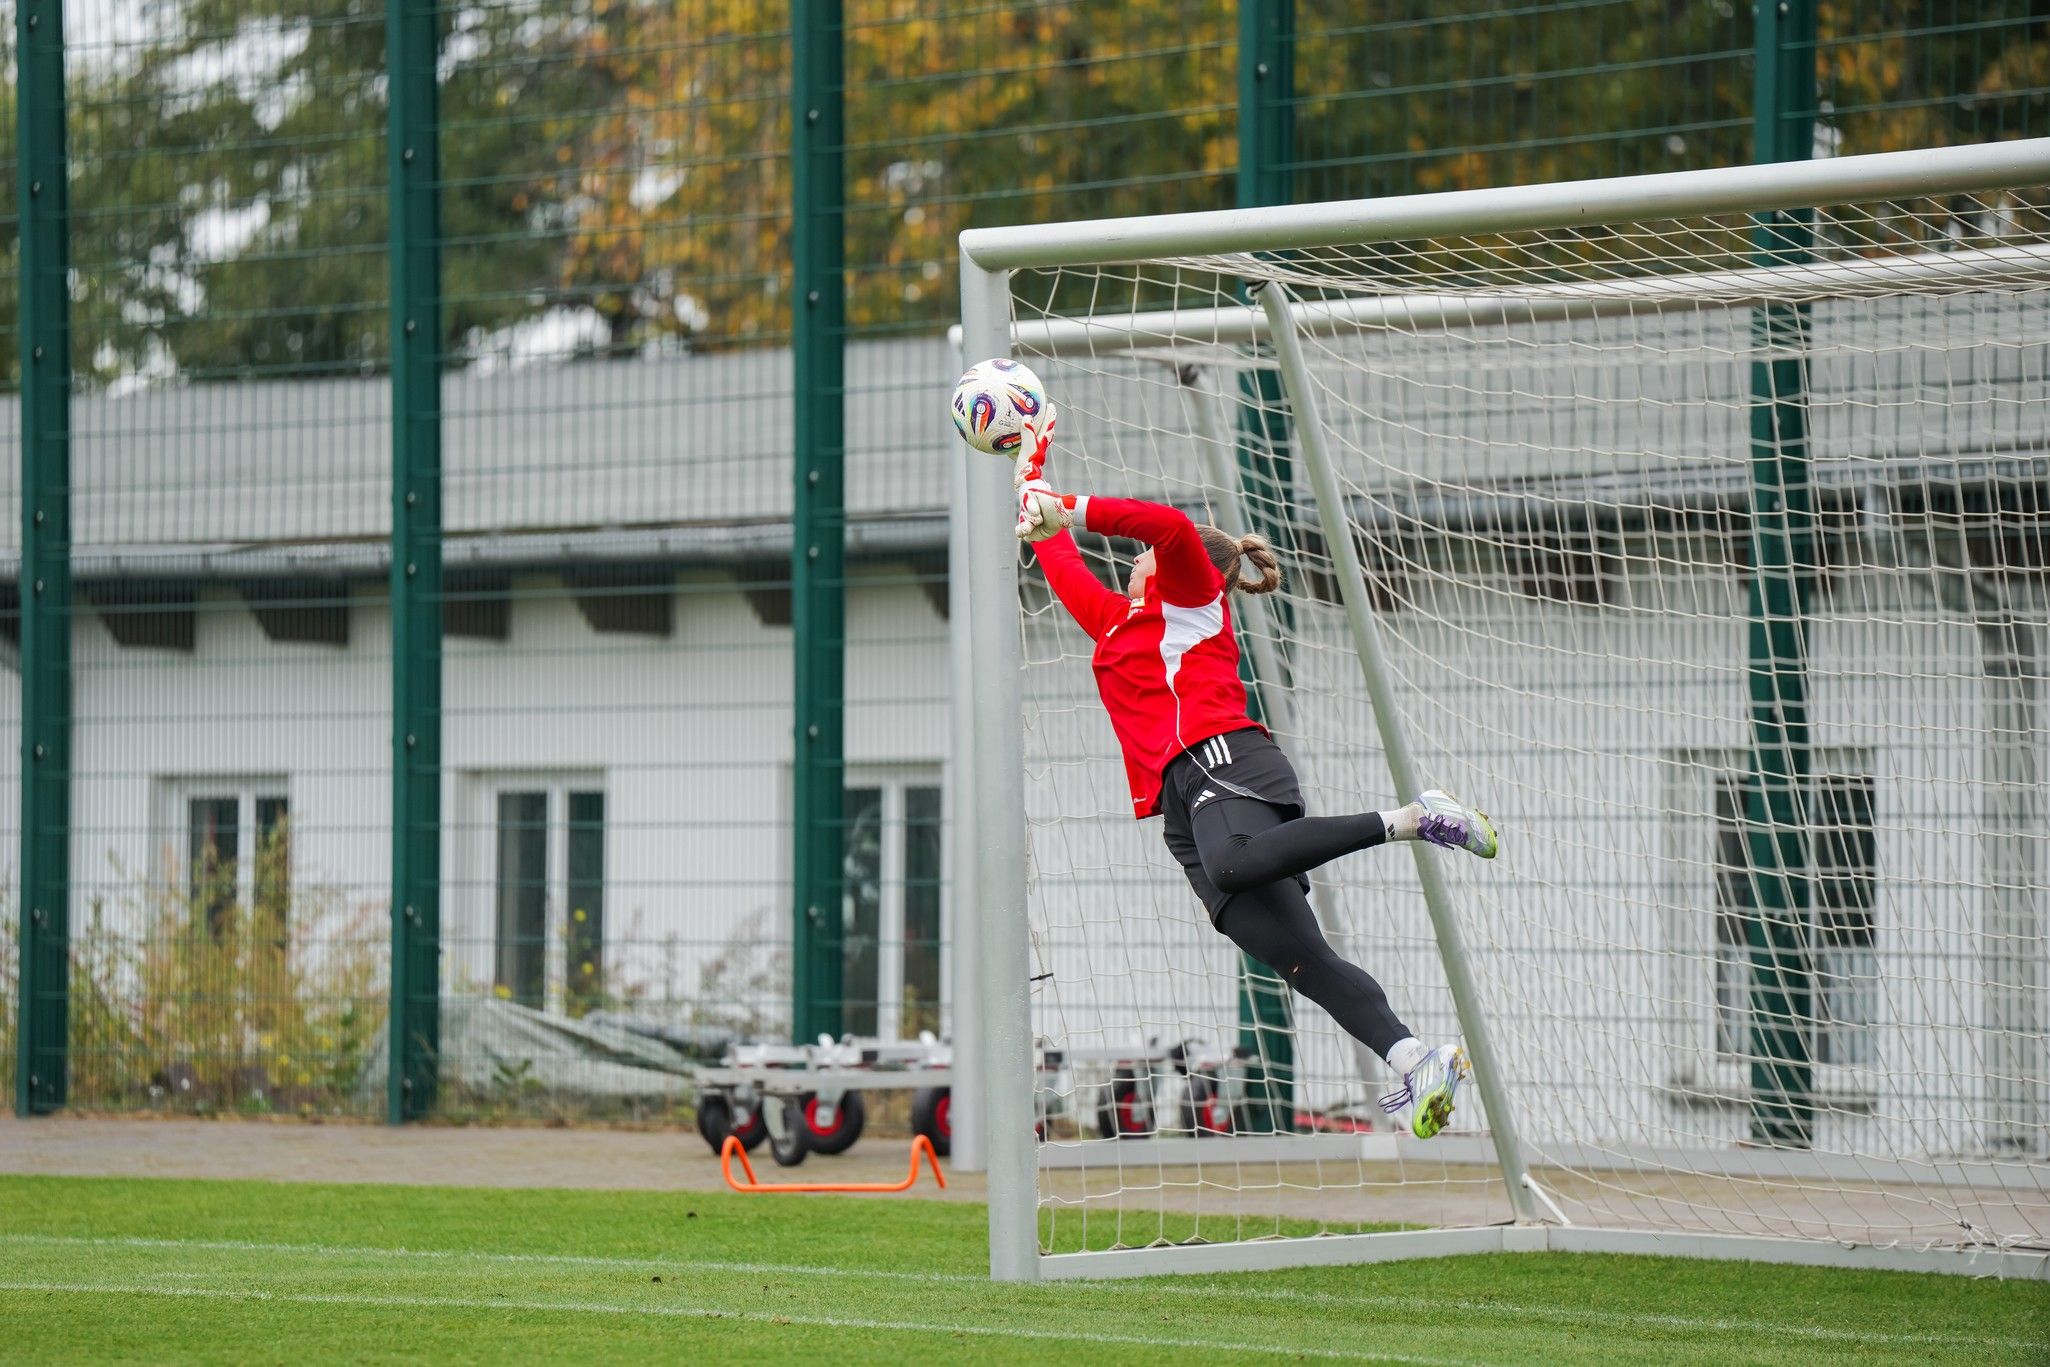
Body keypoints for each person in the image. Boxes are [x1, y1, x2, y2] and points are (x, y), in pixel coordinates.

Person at [1009, 437, 1497, 1139]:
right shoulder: (1116, 622)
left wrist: (1073, 507)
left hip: (1225, 760)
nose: (1135, 558)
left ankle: (1415, 819)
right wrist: (1028, 474)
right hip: (1183, 804)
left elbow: (1168, 528)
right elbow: (1057, 552)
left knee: (1234, 861)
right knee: (1303, 960)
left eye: (1139, 555)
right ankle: (1417, 1058)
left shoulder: (1192, 592)